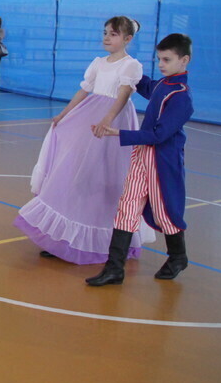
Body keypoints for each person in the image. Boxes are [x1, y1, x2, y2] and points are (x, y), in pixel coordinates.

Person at [14, 17, 147, 265]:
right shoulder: (98, 62)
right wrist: (64, 115)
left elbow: (122, 96)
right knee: (73, 173)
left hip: (113, 123)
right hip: (89, 118)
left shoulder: (131, 66)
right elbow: (84, 90)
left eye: (114, 34)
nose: (107, 37)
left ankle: (104, 241)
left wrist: (107, 121)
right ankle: (62, 238)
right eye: (106, 32)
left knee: (102, 177)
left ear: (128, 39)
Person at [87, 34, 194, 286]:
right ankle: (114, 269)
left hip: (162, 162)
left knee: (165, 212)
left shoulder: (181, 96)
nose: (161, 64)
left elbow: (159, 134)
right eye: (159, 59)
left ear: (184, 60)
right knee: (126, 207)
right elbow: (141, 82)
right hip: (141, 156)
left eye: (167, 59)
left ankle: (178, 256)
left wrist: (118, 132)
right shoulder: (162, 86)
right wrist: (123, 60)